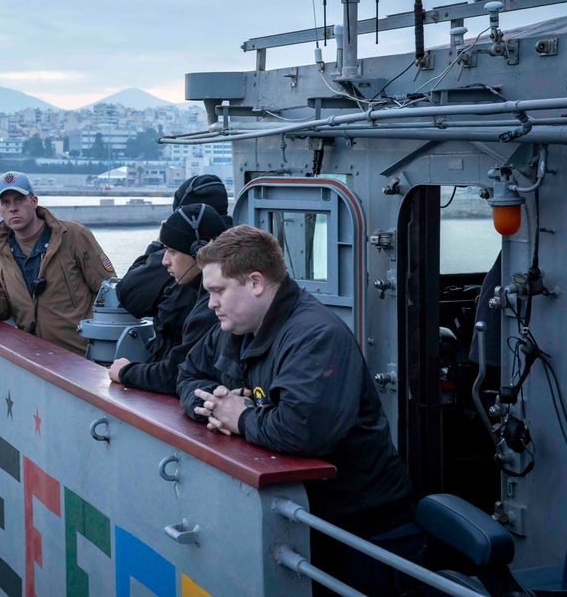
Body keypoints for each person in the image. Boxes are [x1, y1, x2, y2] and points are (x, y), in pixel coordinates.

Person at [176, 225, 423, 596]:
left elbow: (302, 429)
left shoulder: (314, 335)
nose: (211, 303)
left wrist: (240, 417)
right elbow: (187, 374)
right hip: (305, 521)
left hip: (363, 532)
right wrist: (214, 403)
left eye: (217, 291)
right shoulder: (236, 329)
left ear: (255, 282)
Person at [0, 171, 116, 356]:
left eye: (19, 200)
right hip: (32, 358)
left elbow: (109, 289)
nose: (13, 208)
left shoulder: (72, 235)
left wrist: (105, 348)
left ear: (34, 201)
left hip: (81, 357)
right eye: (6, 203)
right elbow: (3, 310)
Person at [108, 204, 227, 396]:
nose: (165, 261)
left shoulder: (211, 307)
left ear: (200, 252)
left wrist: (126, 372)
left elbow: (176, 373)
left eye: (172, 251)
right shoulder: (199, 292)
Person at [116, 174, 232, 319]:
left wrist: (159, 243)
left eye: (171, 250)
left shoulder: (182, 254)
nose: (166, 260)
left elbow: (129, 294)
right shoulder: (236, 251)